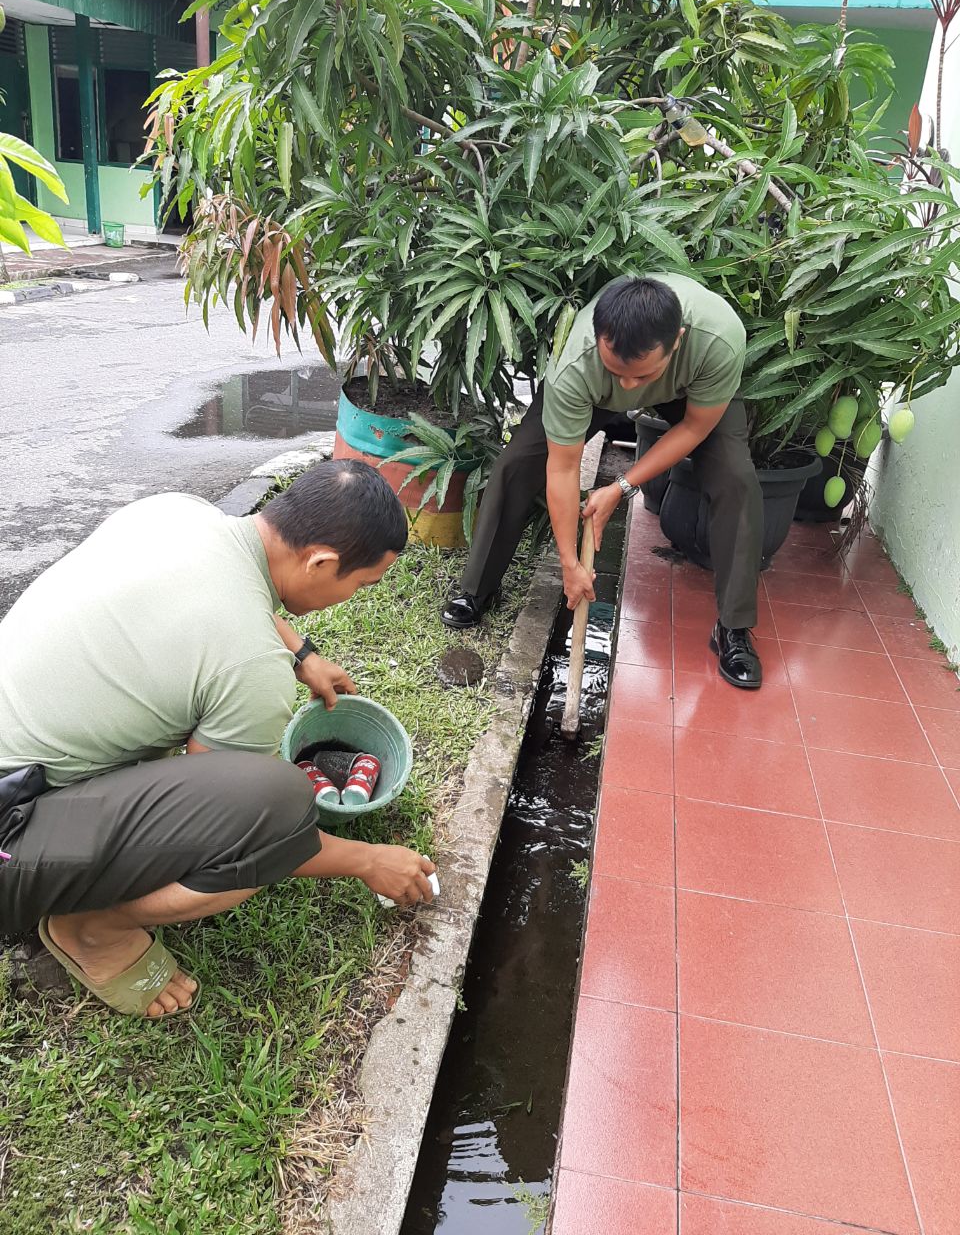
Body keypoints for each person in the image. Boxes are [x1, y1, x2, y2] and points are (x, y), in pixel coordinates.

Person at [0, 460, 437, 1018]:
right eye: (361, 583)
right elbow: (228, 826)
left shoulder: (177, 514)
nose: (356, 594)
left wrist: (301, 654)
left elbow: (228, 597)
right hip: (11, 829)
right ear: (322, 561)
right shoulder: (251, 670)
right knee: (273, 806)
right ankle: (92, 928)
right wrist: (366, 859)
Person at [442, 274, 764, 688]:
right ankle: (478, 588)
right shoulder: (576, 365)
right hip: (593, 392)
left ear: (678, 340)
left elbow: (695, 428)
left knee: (736, 479)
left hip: (688, 391)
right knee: (517, 464)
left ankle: (733, 628)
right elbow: (561, 469)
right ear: (598, 339)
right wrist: (570, 563)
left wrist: (622, 486)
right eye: (617, 372)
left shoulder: (718, 338)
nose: (629, 389)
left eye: (640, 378)